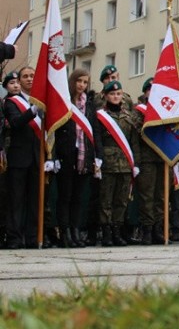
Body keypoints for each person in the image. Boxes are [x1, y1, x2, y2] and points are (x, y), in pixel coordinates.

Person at [94, 80, 140, 247]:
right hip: (108, 163)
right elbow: (97, 138)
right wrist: (98, 158)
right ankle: (106, 233)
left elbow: (134, 142)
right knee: (106, 200)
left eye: (118, 94)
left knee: (121, 200)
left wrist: (136, 163)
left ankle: (117, 231)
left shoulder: (129, 116)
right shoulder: (100, 116)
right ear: (106, 96)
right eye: (112, 94)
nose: (116, 96)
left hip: (126, 164)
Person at [53, 68, 95, 247]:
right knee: (65, 196)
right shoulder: (64, 101)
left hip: (84, 155)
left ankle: (75, 230)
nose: (82, 85)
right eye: (79, 81)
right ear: (73, 81)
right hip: (66, 155)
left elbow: (95, 131)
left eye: (85, 82)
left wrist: (97, 155)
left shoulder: (90, 105)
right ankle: (65, 232)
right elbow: (55, 130)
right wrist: (53, 155)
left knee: (78, 197)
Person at [2, 69, 41, 249]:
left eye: (19, 82)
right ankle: (15, 238)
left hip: (35, 156)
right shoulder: (10, 103)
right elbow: (16, 122)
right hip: (18, 157)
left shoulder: (34, 101)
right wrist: (32, 111)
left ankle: (32, 237)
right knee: (16, 200)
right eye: (14, 82)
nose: (17, 85)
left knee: (34, 200)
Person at [135, 77, 169, 245]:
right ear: (146, 93)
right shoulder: (139, 111)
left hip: (162, 158)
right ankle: (147, 229)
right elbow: (136, 136)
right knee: (147, 196)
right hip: (147, 159)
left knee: (161, 196)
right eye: (150, 90)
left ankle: (158, 228)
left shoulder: (165, 110)